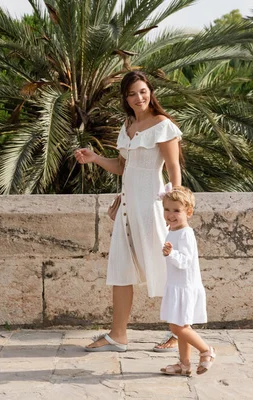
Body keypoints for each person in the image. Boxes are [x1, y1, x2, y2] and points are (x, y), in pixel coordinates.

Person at [74, 71, 182, 352]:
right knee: (121, 270)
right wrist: (95, 158)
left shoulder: (163, 125)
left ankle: (182, 332)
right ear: (125, 98)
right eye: (132, 93)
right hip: (126, 208)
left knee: (165, 267)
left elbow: (173, 168)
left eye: (143, 91)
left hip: (152, 207)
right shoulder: (128, 125)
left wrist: (174, 206)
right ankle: (118, 334)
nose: (139, 98)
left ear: (151, 92)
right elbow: (123, 167)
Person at [158, 184, 215, 376]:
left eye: (176, 210)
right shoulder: (172, 231)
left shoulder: (186, 234)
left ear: (188, 212)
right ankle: (184, 364)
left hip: (185, 286)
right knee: (181, 325)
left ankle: (206, 350)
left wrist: (171, 253)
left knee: (177, 326)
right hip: (176, 285)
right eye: (167, 209)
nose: (170, 214)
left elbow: (185, 262)